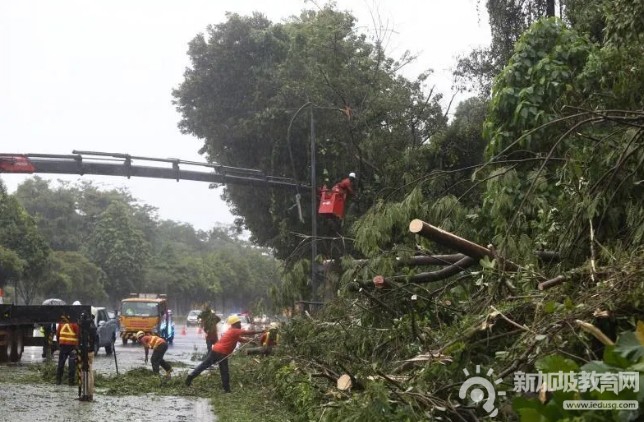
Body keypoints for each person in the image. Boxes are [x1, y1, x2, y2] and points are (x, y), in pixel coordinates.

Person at [185, 314, 264, 392]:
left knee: (205, 365)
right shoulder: (234, 330)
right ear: (235, 324)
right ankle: (227, 390)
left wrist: (251, 342)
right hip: (221, 352)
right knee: (224, 371)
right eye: (239, 323)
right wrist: (261, 331)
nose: (240, 324)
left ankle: (191, 376)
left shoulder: (232, 331)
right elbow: (247, 332)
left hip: (217, 350)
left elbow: (239, 338)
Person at [56, 315, 79, 385]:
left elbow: (57, 335)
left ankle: (58, 381)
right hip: (72, 347)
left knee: (61, 364)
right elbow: (78, 335)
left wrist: (59, 344)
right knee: (72, 365)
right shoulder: (74, 324)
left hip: (63, 346)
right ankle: (71, 382)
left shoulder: (61, 324)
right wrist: (77, 347)